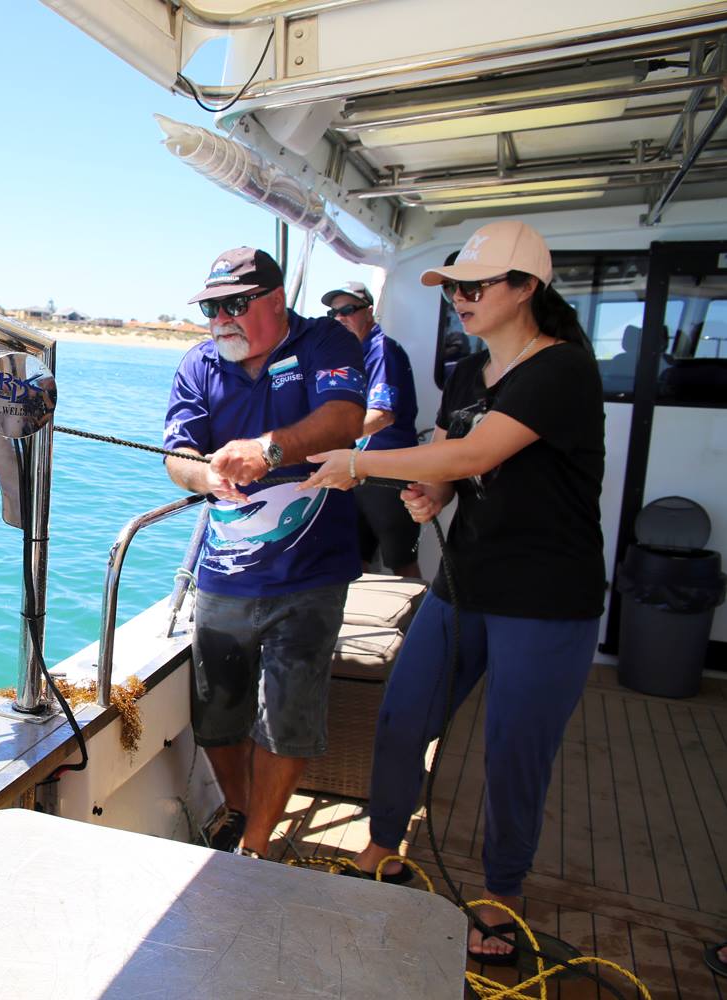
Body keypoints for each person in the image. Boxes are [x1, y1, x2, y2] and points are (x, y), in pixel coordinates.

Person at [299, 220, 606, 966]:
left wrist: (362, 464)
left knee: (513, 755)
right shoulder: (470, 371)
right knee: (402, 719)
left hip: (549, 600)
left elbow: (480, 449)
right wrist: (433, 489)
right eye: (453, 289)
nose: (460, 300)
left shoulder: (562, 369)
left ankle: (502, 897)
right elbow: (453, 453)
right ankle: (382, 850)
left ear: (527, 289)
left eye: (475, 287)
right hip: (464, 583)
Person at [163, 247, 366, 861]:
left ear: (275, 302)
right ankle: (245, 808)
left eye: (233, 305)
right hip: (224, 575)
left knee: (290, 715)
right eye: (210, 308)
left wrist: (269, 450)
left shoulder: (326, 343)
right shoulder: (197, 364)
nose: (219, 319)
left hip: (312, 575)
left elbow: (344, 419)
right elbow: (177, 455)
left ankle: (257, 841)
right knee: (218, 717)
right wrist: (204, 478)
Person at [322, 281, 421, 577]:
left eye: (348, 310)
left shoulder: (383, 351)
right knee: (355, 556)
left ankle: (417, 623)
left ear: (369, 312)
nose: (340, 318)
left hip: (388, 475)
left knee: (401, 561)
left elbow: (382, 415)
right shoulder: (348, 354)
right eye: (334, 313)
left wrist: (324, 442)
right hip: (355, 471)